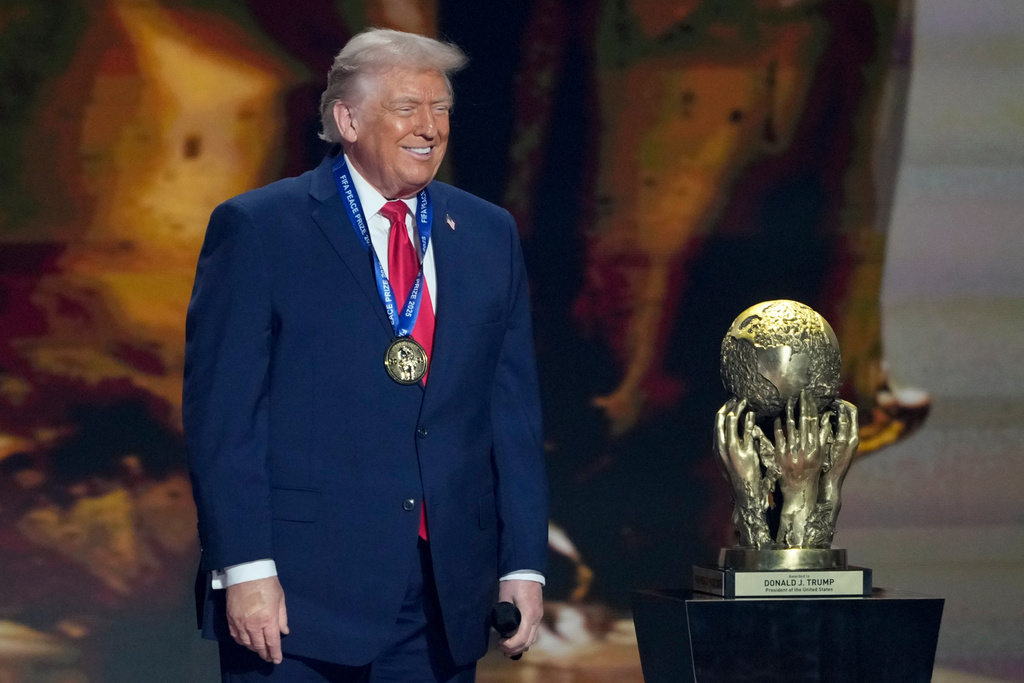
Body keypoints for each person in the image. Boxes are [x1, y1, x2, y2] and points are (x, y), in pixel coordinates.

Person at [183, 28, 548, 682]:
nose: (430, 127)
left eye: (441, 109)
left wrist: (522, 563)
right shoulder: (262, 227)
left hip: (444, 596)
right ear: (347, 120)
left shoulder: (488, 233)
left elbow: (511, 413)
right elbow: (225, 417)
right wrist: (245, 566)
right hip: (298, 598)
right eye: (407, 107)